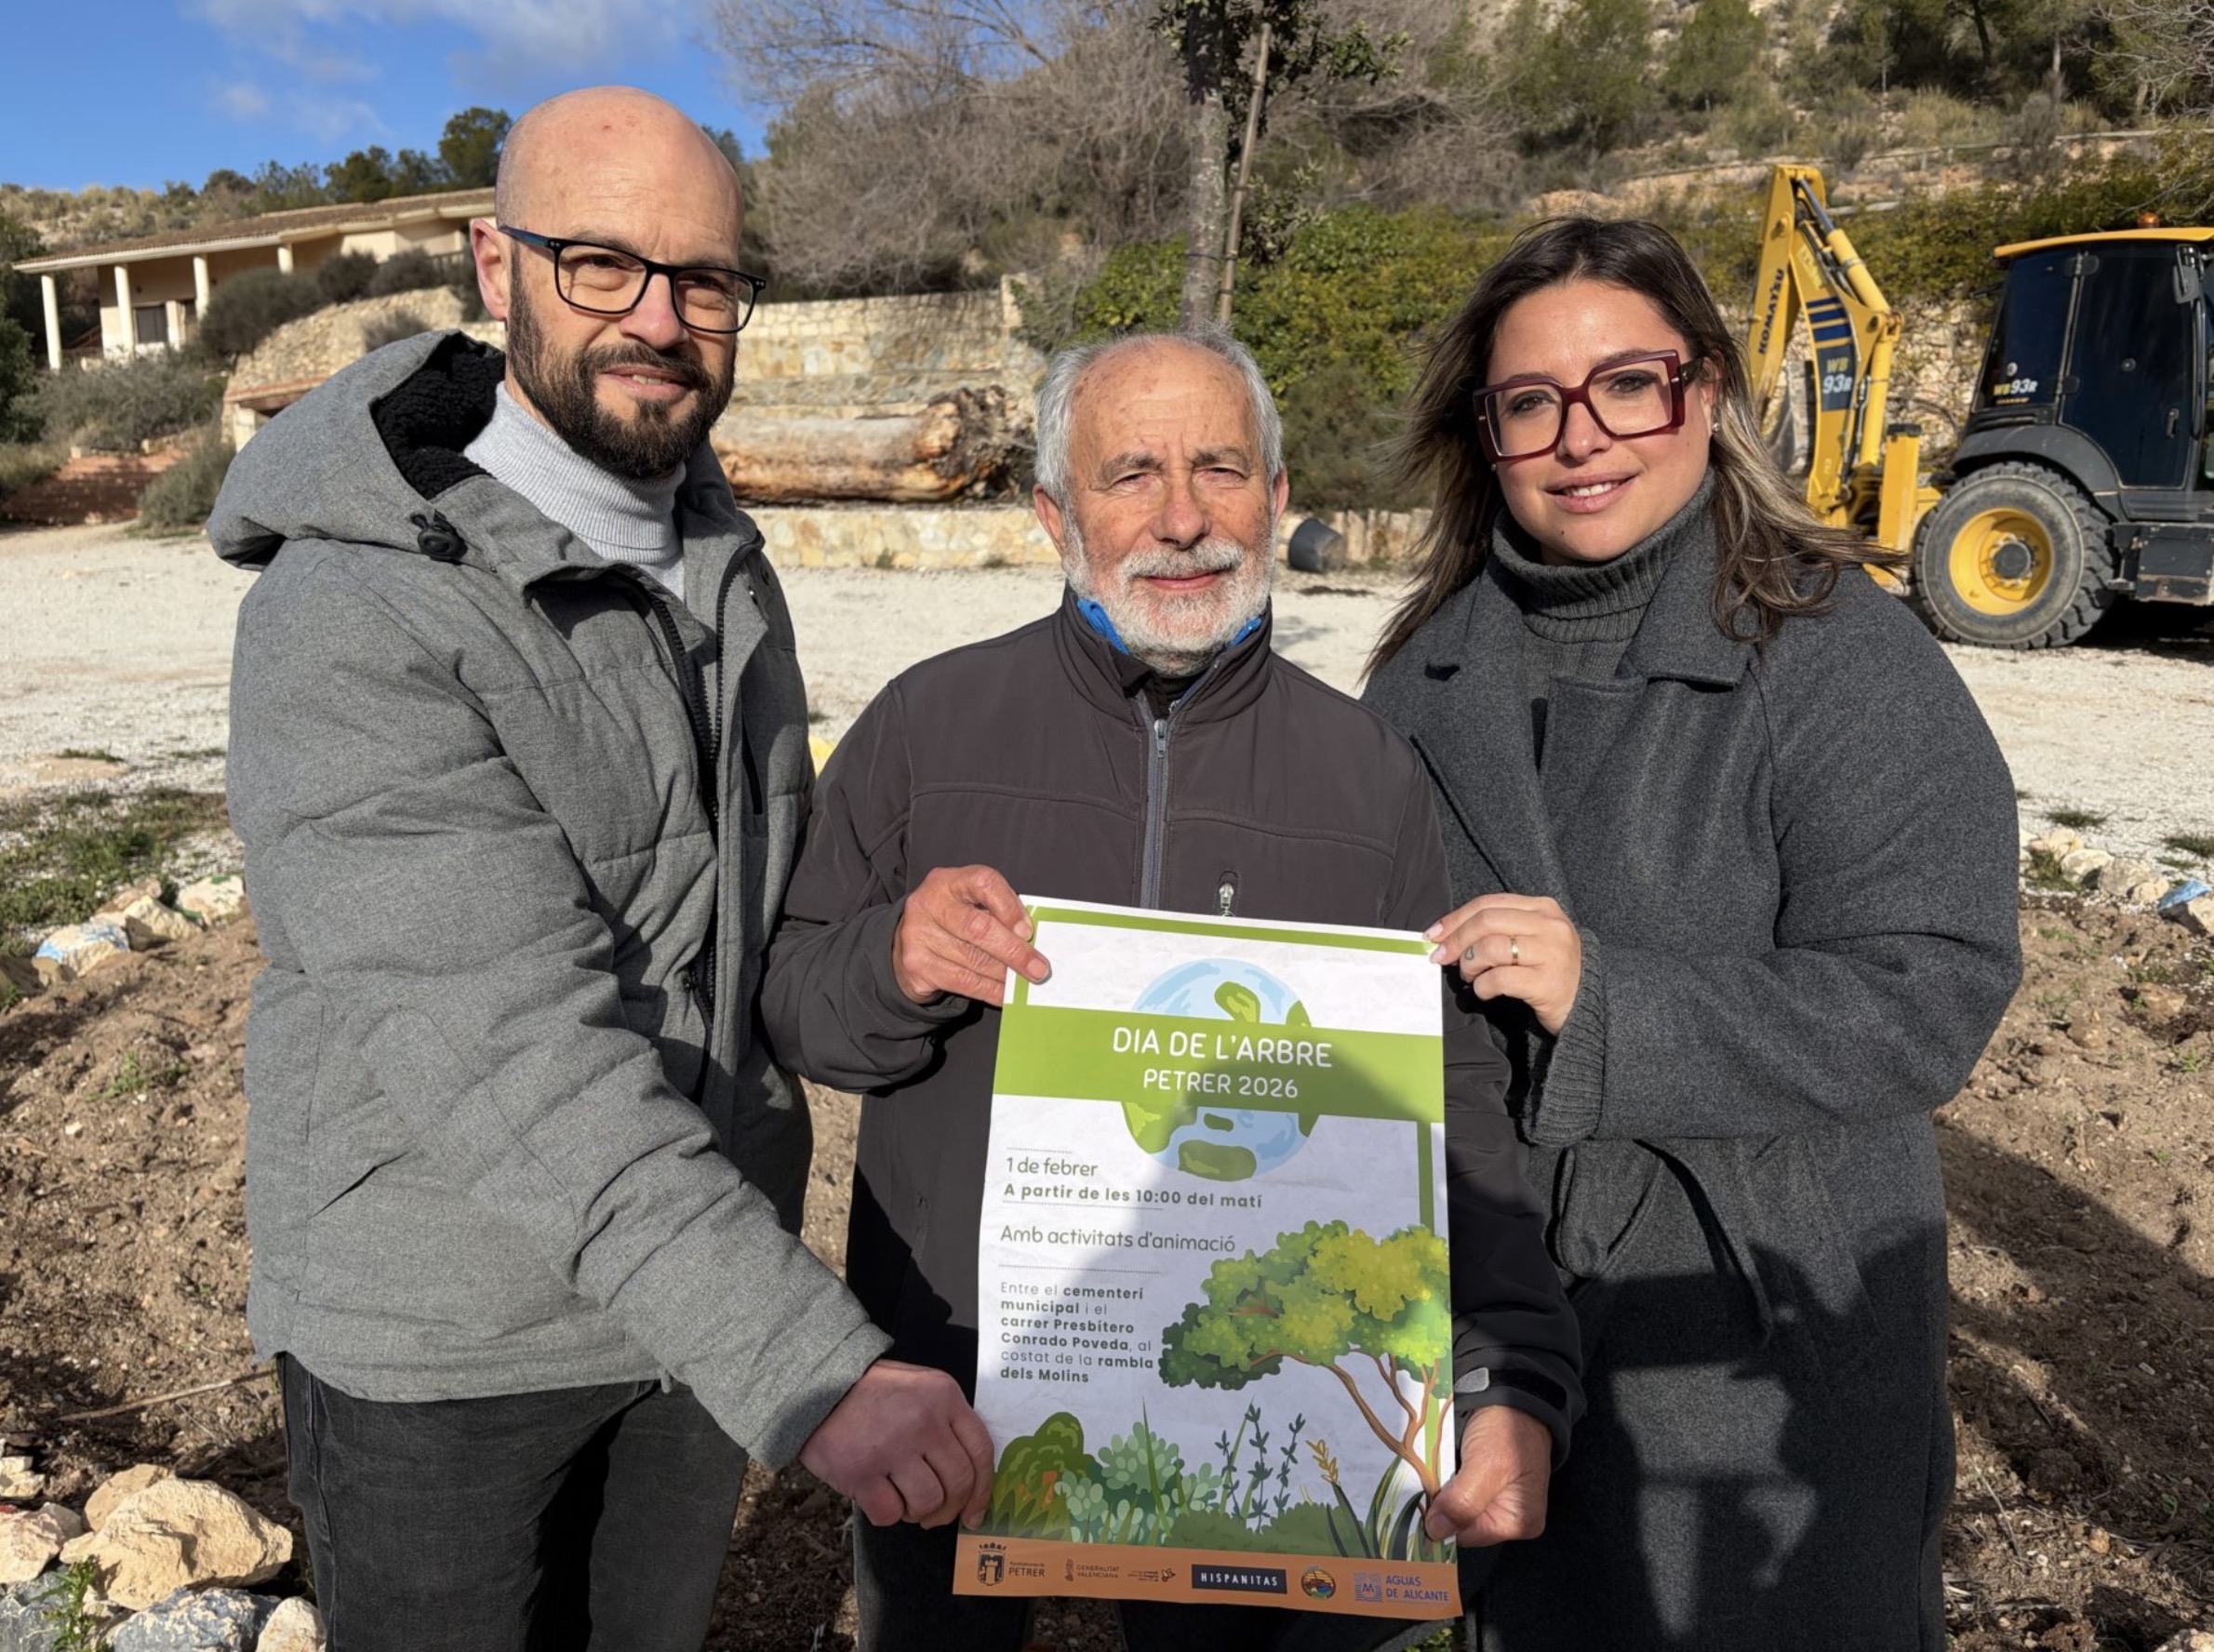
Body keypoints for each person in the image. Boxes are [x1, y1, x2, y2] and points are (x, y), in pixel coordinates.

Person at [211, 87, 992, 1652]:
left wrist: (890, 959)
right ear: (494, 266)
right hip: (444, 1334)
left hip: (688, 1301)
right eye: (601, 266)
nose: (660, 319)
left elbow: (747, 922)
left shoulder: (721, 560)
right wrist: (805, 1362)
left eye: (705, 279)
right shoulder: (352, 612)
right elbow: (503, 1049)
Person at [760, 327, 1584, 1652]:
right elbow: (793, 1006)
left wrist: (1513, 1369)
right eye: (1131, 472)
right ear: (1052, 513)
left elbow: (1450, 1099)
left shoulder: (1366, 773)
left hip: (1256, 1404)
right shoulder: (926, 726)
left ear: (1277, 490)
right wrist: (892, 963)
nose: (1185, 518)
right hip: (957, 1378)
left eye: (1222, 468)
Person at [1360, 218, 2022, 1651]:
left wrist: (1615, 1008)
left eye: (1629, 383)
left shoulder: (1834, 650)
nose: (1580, 436)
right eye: (1530, 400)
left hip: (1761, 1336)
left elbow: (1935, 987)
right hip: (1495, 1320)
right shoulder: (1418, 680)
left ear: (1706, 391)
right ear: (1484, 433)